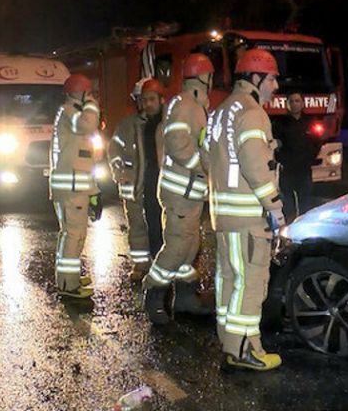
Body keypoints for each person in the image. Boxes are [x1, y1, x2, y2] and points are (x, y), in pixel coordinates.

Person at [204, 48, 284, 371]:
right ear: (255, 78)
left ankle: (229, 338)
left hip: (223, 216)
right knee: (251, 281)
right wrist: (275, 207)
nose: (275, 87)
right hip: (248, 217)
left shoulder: (220, 111)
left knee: (229, 278)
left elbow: (205, 158)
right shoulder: (252, 113)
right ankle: (242, 351)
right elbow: (255, 164)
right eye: (272, 79)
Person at [143, 54, 215, 325]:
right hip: (180, 192)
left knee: (190, 246)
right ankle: (153, 295)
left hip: (189, 192)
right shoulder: (184, 105)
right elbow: (176, 141)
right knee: (176, 247)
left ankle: (185, 299)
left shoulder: (193, 105)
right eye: (210, 77)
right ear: (204, 78)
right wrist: (200, 167)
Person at [49, 74, 102, 299]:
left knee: (70, 234)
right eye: (88, 93)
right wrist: (92, 105)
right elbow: (87, 124)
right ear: (79, 93)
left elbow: (84, 161)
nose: (91, 98)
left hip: (74, 187)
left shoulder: (70, 114)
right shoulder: (70, 112)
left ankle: (66, 279)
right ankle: (69, 286)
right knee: (74, 235)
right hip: (72, 190)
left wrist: (94, 192)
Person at [108, 78, 165, 282]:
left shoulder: (169, 124)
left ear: (161, 100)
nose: (148, 104)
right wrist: (119, 172)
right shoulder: (128, 125)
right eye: (144, 100)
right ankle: (141, 266)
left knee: (162, 226)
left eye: (152, 99)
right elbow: (113, 150)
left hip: (162, 184)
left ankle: (162, 265)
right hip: (135, 185)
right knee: (138, 228)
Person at [272, 92, 316, 221]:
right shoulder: (280, 123)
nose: (294, 104)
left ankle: (304, 231)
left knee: (305, 206)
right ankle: (289, 232)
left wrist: (310, 158)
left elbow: (316, 142)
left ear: (302, 104)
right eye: (291, 101)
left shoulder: (309, 122)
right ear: (287, 104)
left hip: (304, 171)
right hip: (287, 171)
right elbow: (275, 144)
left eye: (297, 101)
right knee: (288, 207)